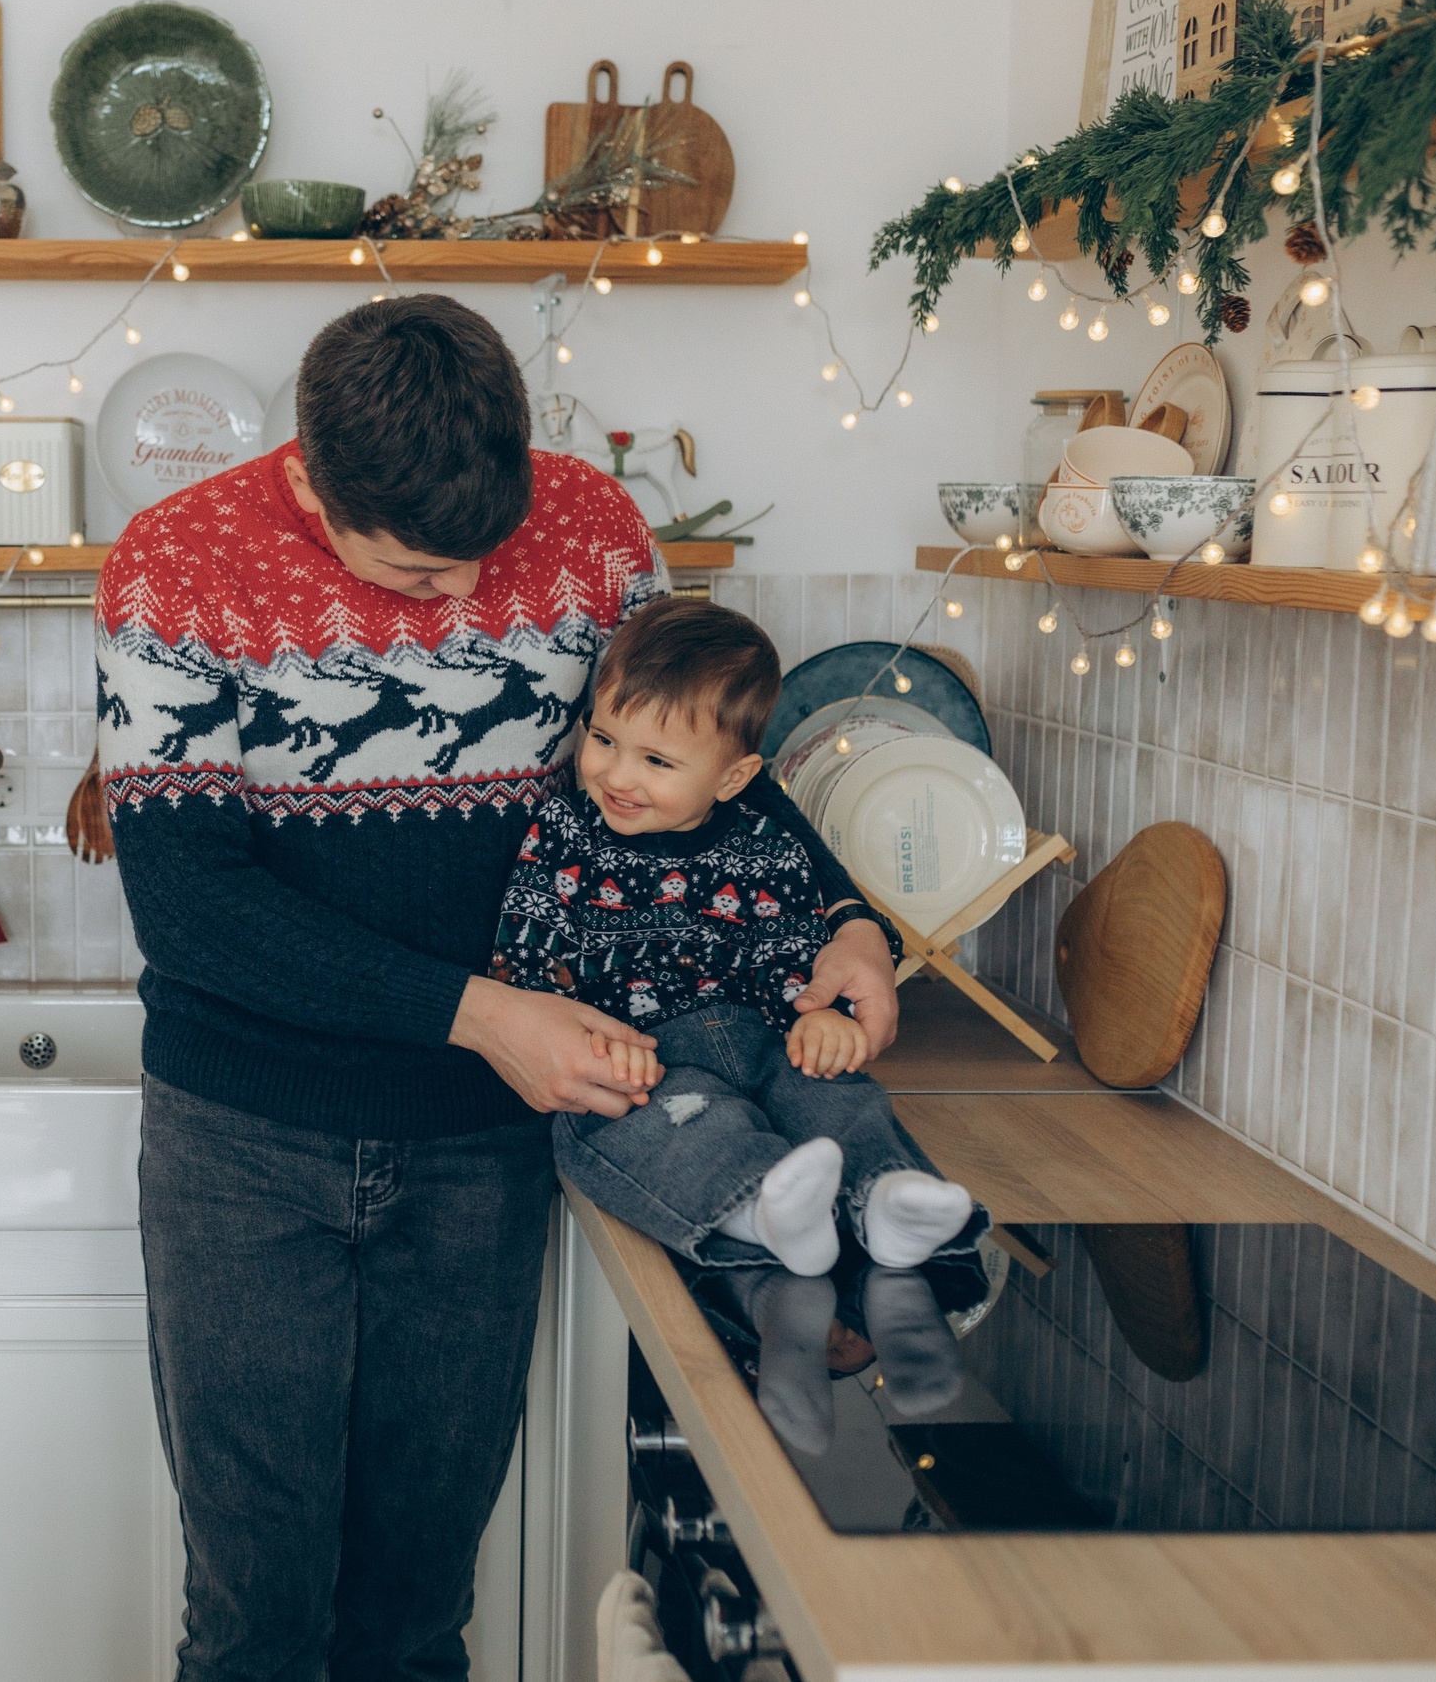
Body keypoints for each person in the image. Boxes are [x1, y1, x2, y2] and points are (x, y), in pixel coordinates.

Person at [96, 293, 905, 1678]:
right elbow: (192, 908)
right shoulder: (179, 561)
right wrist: (480, 1012)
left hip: (481, 1150)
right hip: (245, 1144)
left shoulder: (593, 530)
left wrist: (845, 921)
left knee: (416, 1619)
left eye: (485, 556)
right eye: (418, 576)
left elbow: (701, 760)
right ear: (307, 477)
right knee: (254, 1621)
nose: (464, 599)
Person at [495, 599, 983, 1450]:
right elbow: (525, 952)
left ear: (732, 777)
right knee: (678, 1120)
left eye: (655, 759)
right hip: (644, 1055)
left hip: (758, 1037)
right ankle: (761, 1207)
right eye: (604, 738)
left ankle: (887, 1199)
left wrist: (822, 1022)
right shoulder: (566, 832)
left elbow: (800, 959)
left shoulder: (768, 844)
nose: (615, 772)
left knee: (836, 1097)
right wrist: (574, 1025)